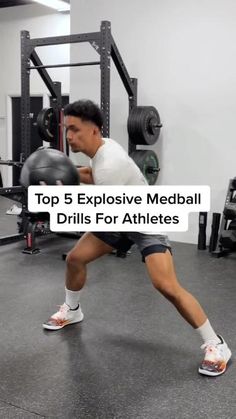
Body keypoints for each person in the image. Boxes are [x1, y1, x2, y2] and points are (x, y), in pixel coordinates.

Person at [43, 99, 231, 377]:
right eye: (65, 128)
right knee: (75, 259)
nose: (69, 136)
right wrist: (63, 173)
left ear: (94, 130)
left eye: (74, 129)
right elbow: (92, 175)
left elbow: (95, 196)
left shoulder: (111, 164)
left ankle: (217, 344)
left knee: (166, 285)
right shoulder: (103, 148)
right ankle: (72, 309)